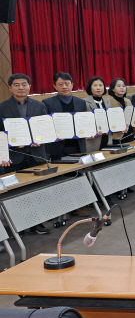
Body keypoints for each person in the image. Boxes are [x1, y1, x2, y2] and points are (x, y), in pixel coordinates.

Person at [0, 74, 51, 234]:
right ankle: (18, 226)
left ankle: (37, 223)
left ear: (29, 86)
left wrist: (40, 139)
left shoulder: (39, 105)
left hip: (35, 154)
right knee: (15, 192)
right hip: (13, 156)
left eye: (24, 84)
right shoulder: (2, 107)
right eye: (16, 85)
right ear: (10, 87)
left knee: (36, 189)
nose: (21, 87)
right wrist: (3, 154)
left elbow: (45, 127)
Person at [43, 72, 89, 160]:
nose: (64, 87)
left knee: (80, 172)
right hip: (57, 147)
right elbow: (46, 126)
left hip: (78, 146)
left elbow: (85, 123)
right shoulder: (47, 103)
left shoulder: (81, 102)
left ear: (72, 85)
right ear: (55, 86)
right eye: (60, 84)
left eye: (67, 84)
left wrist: (89, 132)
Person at [83, 76, 112, 152]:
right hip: (93, 140)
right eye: (95, 85)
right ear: (90, 88)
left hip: (107, 138)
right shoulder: (84, 102)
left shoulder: (107, 101)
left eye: (100, 85)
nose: (98, 88)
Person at [106, 78, 133, 143]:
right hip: (116, 135)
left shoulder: (128, 101)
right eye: (119, 86)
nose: (122, 88)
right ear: (112, 89)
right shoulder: (107, 101)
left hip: (129, 133)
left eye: (123, 86)